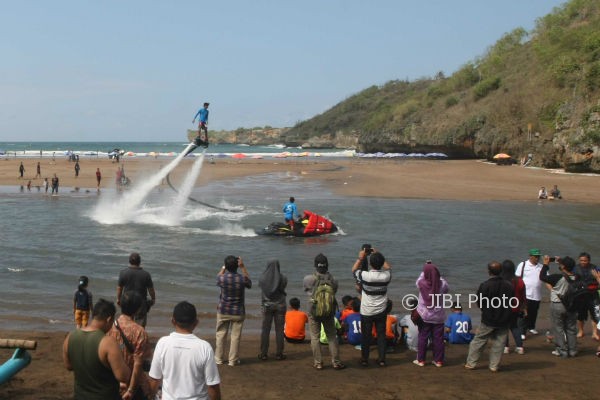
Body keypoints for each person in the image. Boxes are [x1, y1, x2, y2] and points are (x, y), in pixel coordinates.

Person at [149, 301, 221, 400]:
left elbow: (154, 380)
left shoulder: (162, 343)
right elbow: (213, 386)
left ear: (173, 321)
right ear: (196, 323)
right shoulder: (205, 347)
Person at [62, 299, 131, 400]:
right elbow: (123, 376)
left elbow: (68, 366)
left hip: (80, 396)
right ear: (109, 319)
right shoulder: (108, 342)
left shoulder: (70, 337)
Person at [464, 261, 515, 372]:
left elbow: (480, 302)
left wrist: (486, 310)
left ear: (489, 272)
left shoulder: (485, 285)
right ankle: (494, 365)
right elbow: (512, 302)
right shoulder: (509, 285)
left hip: (489, 318)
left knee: (478, 341)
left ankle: (471, 363)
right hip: (504, 318)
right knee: (499, 343)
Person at [303, 253, 346, 370]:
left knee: (315, 337)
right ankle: (336, 362)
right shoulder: (334, 280)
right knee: (332, 336)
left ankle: (318, 363)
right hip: (328, 311)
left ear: (315, 265)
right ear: (327, 265)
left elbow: (306, 289)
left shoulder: (309, 278)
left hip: (314, 311)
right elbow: (334, 292)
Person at [352, 249, 392, 367]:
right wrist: (379, 254)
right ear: (381, 263)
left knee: (366, 335)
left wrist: (360, 258)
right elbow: (389, 268)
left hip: (367, 311)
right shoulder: (386, 276)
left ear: (370, 264)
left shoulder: (365, 275)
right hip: (381, 310)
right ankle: (382, 360)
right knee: (381, 335)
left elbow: (353, 270)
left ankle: (364, 359)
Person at [107, 291, 150, 400]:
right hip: (132, 383)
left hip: (112, 379)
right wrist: (130, 390)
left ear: (120, 304)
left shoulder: (109, 326)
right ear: (138, 309)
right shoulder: (139, 332)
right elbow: (138, 364)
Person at [539, 256, 580, 358]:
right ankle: (573, 350)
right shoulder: (578, 277)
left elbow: (542, 277)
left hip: (558, 305)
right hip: (573, 306)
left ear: (563, 266)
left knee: (558, 328)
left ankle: (562, 350)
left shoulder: (557, 277)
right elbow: (570, 269)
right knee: (571, 328)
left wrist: (545, 264)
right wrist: (561, 263)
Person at [215, 255, 252, 366]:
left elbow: (218, 277)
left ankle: (218, 359)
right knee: (235, 337)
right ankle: (233, 360)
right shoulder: (242, 279)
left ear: (226, 266)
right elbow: (249, 283)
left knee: (220, 335)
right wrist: (243, 267)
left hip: (223, 310)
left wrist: (223, 267)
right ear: (237, 266)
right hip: (238, 311)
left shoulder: (222, 278)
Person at [414, 261, 448, 367]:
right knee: (438, 339)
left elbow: (420, 278)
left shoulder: (421, 283)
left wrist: (425, 268)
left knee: (423, 337)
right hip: (438, 316)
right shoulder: (442, 285)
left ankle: (421, 360)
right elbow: (446, 288)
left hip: (424, 316)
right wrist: (436, 274)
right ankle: (438, 361)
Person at [258, 259, 287, 361]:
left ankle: (263, 353)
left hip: (267, 305)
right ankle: (279, 354)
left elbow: (263, 289)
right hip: (280, 305)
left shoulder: (262, 278)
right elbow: (283, 289)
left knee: (265, 330)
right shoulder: (283, 278)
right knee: (279, 330)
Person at [116, 252, 156, 328]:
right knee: (140, 323)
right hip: (141, 302)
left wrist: (118, 299)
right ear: (139, 262)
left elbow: (119, 288)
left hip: (127, 301)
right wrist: (153, 298)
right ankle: (138, 338)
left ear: (129, 261)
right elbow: (151, 289)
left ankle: (126, 337)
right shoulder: (146, 274)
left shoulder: (123, 273)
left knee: (126, 321)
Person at [515, 248, 544, 337]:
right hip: (525, 294)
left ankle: (531, 327)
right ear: (530, 256)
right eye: (535, 256)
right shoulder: (523, 265)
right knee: (524, 313)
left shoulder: (541, 267)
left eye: (538, 256)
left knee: (534, 312)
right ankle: (522, 332)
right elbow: (517, 277)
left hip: (537, 294)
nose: (537, 258)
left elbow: (547, 278)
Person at [500, 260, 526, 354]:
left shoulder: (501, 281)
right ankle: (520, 347)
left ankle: (506, 347)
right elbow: (523, 296)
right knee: (514, 327)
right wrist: (523, 307)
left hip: (503, 307)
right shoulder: (519, 281)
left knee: (504, 328)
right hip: (515, 307)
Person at [574, 252, 599, 340]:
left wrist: (597, 276)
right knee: (580, 315)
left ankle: (595, 333)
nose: (583, 262)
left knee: (595, 314)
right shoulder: (575, 268)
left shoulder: (595, 268)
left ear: (589, 260)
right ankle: (581, 331)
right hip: (581, 295)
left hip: (593, 295)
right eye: (581, 260)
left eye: (585, 261)